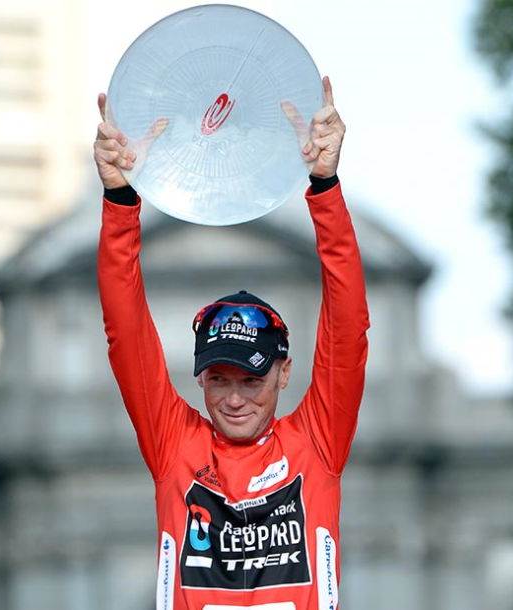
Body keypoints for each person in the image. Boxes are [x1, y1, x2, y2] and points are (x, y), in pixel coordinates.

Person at [94, 76, 369, 610]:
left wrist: (326, 187)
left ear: (284, 372)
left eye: (252, 378)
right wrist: (119, 197)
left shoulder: (317, 439)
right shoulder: (175, 443)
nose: (235, 397)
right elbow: (124, 331)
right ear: (199, 377)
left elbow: (348, 326)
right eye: (219, 380)